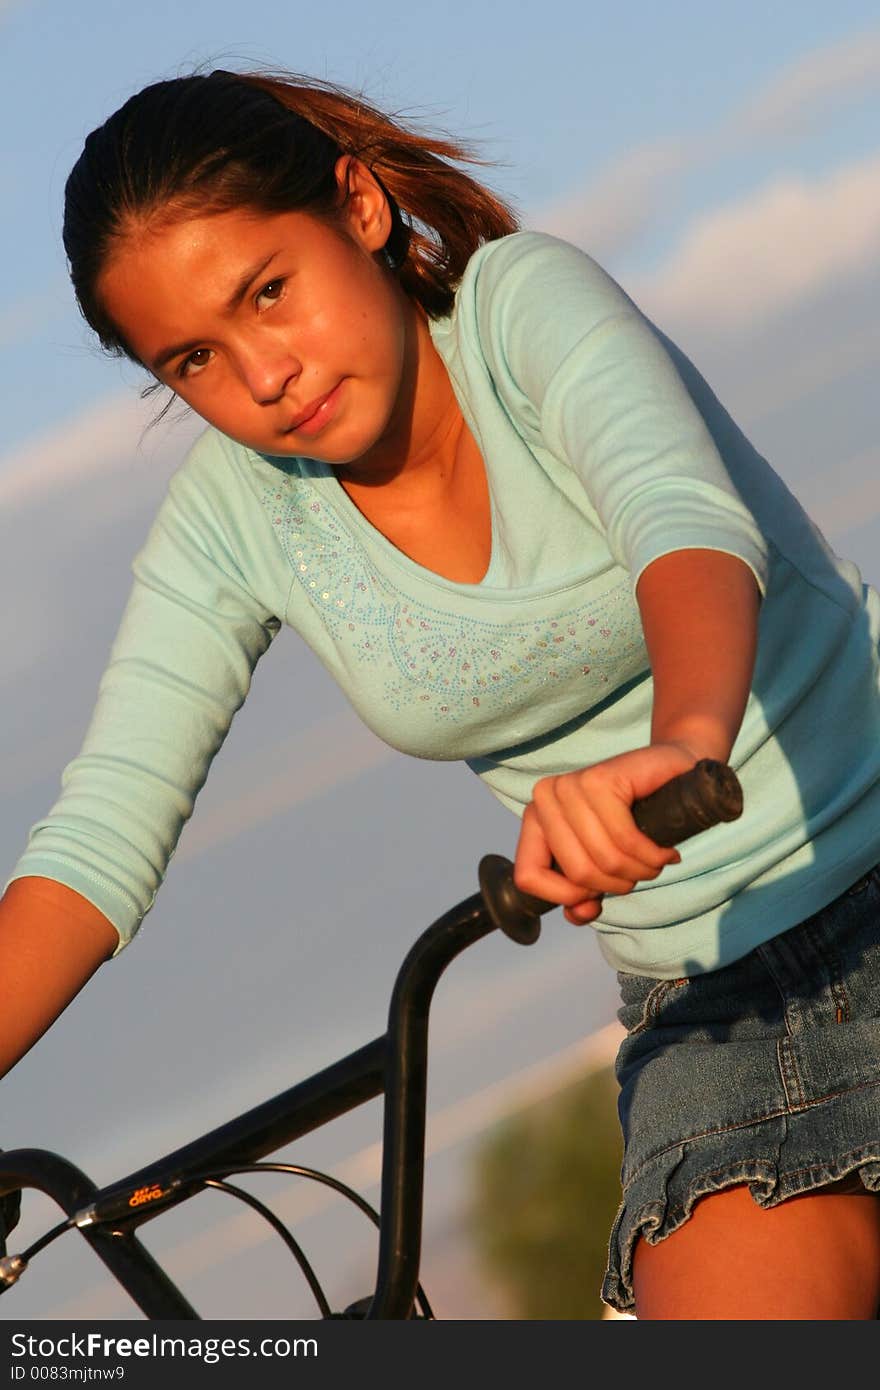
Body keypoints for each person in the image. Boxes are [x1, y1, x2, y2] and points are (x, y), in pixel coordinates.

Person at [2, 68, 879, 1321]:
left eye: (268, 292)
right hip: (716, 1004)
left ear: (356, 207)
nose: (263, 375)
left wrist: (683, 745)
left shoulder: (521, 307)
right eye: (194, 357)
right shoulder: (232, 522)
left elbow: (679, 523)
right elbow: (96, 842)